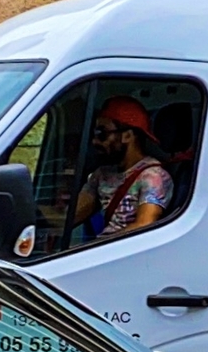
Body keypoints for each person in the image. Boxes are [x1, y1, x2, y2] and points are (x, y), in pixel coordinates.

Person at [73, 96, 173, 243]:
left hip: (123, 254)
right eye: (94, 134)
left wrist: (95, 248)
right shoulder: (101, 174)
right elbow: (73, 216)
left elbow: (145, 226)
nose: (94, 141)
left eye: (102, 134)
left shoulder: (153, 177)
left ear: (128, 135)